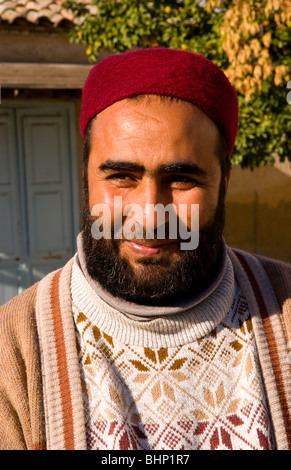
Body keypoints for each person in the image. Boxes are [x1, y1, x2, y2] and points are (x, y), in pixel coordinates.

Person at [0, 48, 290, 451]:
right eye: (121, 176)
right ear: (86, 179)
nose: (150, 216)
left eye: (181, 178)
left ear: (224, 182)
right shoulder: (12, 351)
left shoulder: (286, 311)